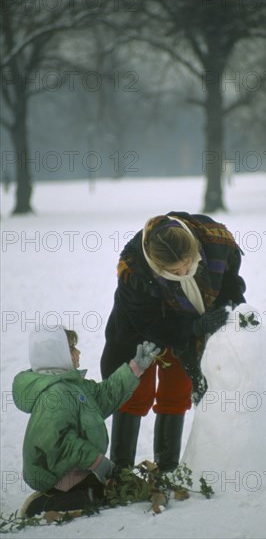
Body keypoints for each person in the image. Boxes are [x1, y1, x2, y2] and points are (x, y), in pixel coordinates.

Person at [100, 211, 246, 473]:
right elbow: (147, 323)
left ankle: (166, 468)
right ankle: (120, 470)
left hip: (188, 331)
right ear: (156, 265)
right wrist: (195, 326)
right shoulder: (134, 269)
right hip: (140, 332)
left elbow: (230, 283)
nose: (183, 272)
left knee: (176, 391)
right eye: (174, 272)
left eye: (188, 265)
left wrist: (227, 308)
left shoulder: (216, 242)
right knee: (135, 393)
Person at [13, 325, 159, 517]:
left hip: (71, 467)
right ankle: (47, 501)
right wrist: (97, 462)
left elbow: (102, 397)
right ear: (57, 354)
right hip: (52, 471)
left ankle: (75, 490)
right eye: (72, 349)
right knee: (102, 494)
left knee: (113, 489)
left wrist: (135, 368)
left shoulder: (69, 385)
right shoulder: (55, 396)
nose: (78, 352)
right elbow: (59, 443)